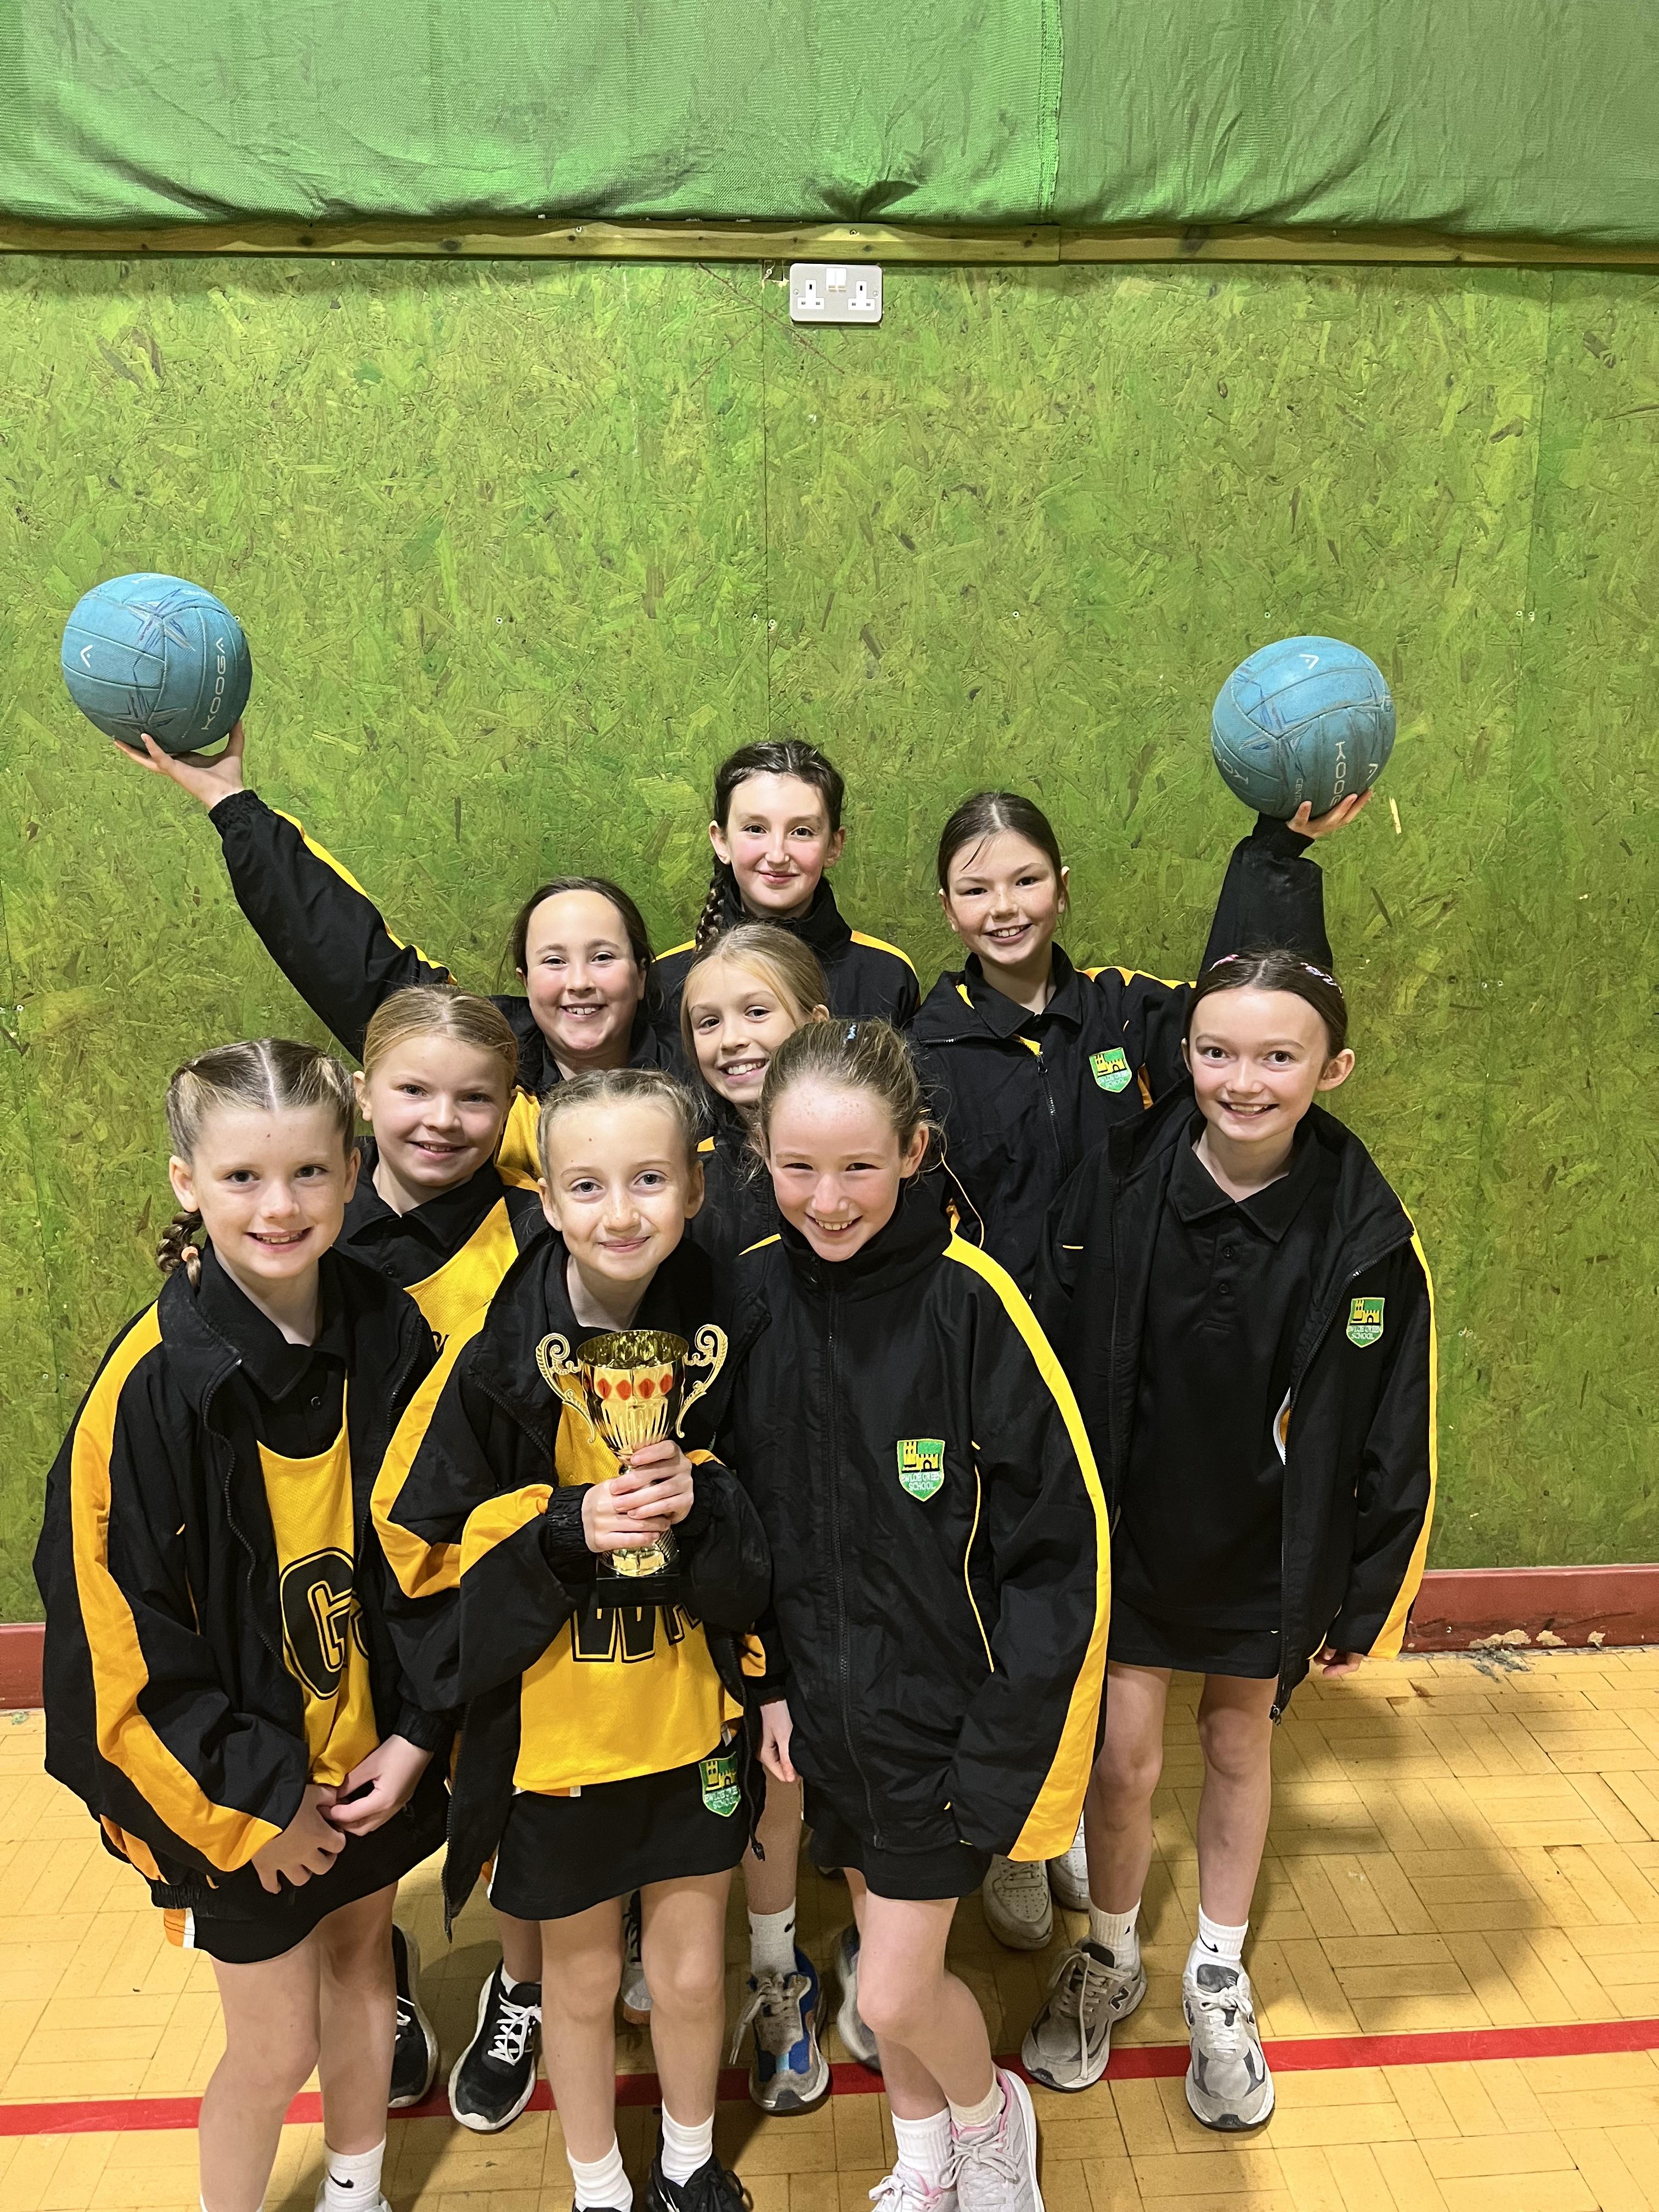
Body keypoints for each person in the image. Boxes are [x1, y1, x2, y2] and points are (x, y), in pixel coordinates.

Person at [912, 784, 1364, 1951]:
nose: (1004, 905)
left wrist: (1277, 851)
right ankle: (1021, 1835)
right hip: (994, 1376)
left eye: (1026, 878)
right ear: (947, 907)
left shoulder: (1131, 1014)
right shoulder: (925, 1045)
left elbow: (1249, 1006)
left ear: (1062, 889)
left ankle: (1070, 1816)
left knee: (1089, 1619)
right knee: (1004, 1607)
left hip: (1118, 1375)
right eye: (975, 886)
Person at [33, 1039, 448, 2212]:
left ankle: (357, 2191)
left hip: (367, 1764)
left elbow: (441, 1549)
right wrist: (255, 1806)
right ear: (187, 1182)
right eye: (242, 1178)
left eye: (310, 1172)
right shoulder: (145, 1394)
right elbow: (113, 1656)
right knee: (274, 2048)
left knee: (366, 1972)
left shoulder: (390, 1328)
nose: (280, 1205)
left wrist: (419, 1730)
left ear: (354, 1170)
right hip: (239, 1796)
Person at [1025, 950, 1435, 2126]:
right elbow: (1049, 1354)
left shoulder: (1368, 1232)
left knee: (1236, 1742)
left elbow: (1393, 1426)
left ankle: (1215, 1969)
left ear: (1331, 1069)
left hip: (1269, 1545)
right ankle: (1109, 1951)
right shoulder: (1120, 1181)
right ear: (1185, 1054)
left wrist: (1366, 1594)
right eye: (1216, 1051)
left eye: (1276, 1056)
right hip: (1134, 1532)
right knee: (1120, 1760)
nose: (1241, 1080)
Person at [721, 1018, 1109, 2212]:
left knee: (889, 1988)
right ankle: (925, 2156)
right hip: (820, 1718)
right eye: (798, 1167)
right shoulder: (748, 1296)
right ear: (760, 1154)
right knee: (888, 1953)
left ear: (914, 1151)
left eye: (858, 1166)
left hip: (947, 1727)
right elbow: (739, 1525)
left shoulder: (972, 1302)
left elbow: (1062, 1550)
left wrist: (1002, 1751)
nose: (827, 1199)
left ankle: (992, 2118)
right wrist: (766, 1681)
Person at [373, 1067, 769, 2212]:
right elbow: (414, 1549)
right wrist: (562, 1527)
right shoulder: (495, 1363)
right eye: (587, 1185)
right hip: (555, 1750)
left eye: (649, 1179)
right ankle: (599, 2182)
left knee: (689, 1972)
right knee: (583, 1982)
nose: (621, 1210)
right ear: (545, 1200)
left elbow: (783, 1538)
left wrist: (708, 1501)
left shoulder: (734, 1339)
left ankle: (688, 2165)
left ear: (694, 1189)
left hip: (691, 1726)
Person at [115, 718, 674, 1185]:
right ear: (525, 980)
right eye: (553, 960)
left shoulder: (698, 1064)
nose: (579, 982)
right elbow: (342, 953)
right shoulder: (476, 1050)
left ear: (643, 974)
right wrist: (231, 803)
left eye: (604, 957)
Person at [341, 984, 554, 2128]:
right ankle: (377, 1979)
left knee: (507, 1791)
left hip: (485, 1567)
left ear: (511, 1105)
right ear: (363, 1092)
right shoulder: (308, 1227)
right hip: (339, 1565)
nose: (441, 1119)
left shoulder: (536, 1232)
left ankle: (520, 1987)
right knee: (357, 1790)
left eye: (475, 1098)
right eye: (413, 1090)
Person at [654, 740, 917, 1030]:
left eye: (802, 832)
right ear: (722, 841)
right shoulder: (666, 980)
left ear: (834, 845)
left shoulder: (887, 976)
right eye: (756, 829)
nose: (777, 856)